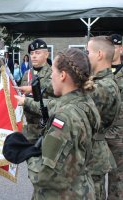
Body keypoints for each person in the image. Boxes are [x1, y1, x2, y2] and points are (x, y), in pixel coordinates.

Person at [13, 48, 100, 199]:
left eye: (53, 71)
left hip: (62, 194)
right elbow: (54, 104)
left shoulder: (64, 117)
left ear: (62, 75)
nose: (51, 76)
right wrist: (26, 101)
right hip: (81, 187)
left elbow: (44, 176)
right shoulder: (85, 101)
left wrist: (26, 154)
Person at [86, 36, 121, 200]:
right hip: (98, 138)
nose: (86, 56)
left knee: (115, 181)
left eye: (88, 52)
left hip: (114, 137)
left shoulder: (104, 83)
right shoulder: (97, 78)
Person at [15, 38, 55, 143]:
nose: (33, 56)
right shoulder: (27, 74)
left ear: (46, 55)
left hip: (48, 126)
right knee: (31, 157)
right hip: (30, 127)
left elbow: (55, 93)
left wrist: (33, 89)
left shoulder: (54, 73)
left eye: (37, 53)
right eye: (32, 53)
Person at [107, 33, 123, 200]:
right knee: (94, 178)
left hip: (119, 135)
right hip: (98, 135)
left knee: (118, 180)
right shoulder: (96, 74)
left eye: (116, 47)